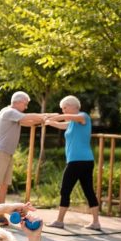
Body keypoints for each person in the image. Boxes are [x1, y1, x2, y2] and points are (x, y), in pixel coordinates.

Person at [0, 92, 49, 225]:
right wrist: (44, 116)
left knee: (4, 185)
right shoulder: (9, 112)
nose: (26, 107)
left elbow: (28, 121)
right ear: (18, 102)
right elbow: (27, 116)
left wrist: (46, 119)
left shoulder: (15, 116)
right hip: (0, 151)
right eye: (25, 104)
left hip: (7, 152)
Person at [44, 95, 102, 231]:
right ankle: (96, 223)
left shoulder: (83, 116)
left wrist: (54, 117)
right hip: (83, 161)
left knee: (65, 190)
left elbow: (69, 118)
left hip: (78, 162)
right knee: (88, 191)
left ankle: (59, 221)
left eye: (65, 108)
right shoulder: (71, 123)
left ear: (72, 106)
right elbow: (60, 124)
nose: (63, 111)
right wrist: (48, 121)